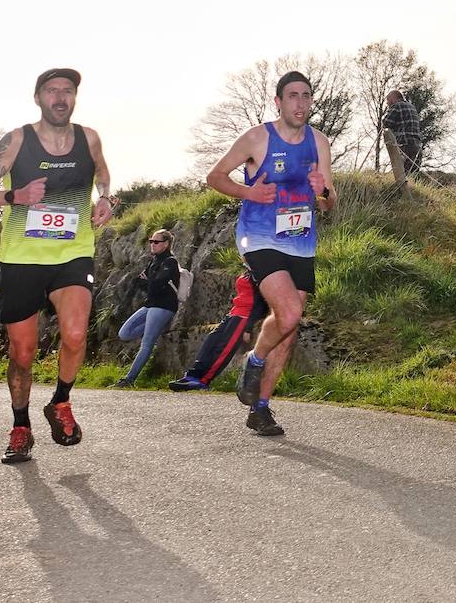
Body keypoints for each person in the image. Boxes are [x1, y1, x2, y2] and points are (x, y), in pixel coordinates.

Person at [0, 67, 114, 464]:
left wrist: (106, 197)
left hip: (73, 252)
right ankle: (20, 426)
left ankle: (60, 403)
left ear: (74, 98)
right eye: (51, 91)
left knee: (77, 333)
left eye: (67, 91)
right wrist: (16, 195)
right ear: (38, 98)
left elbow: (102, 171)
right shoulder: (17, 141)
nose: (60, 97)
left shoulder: (89, 138)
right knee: (23, 352)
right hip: (21, 258)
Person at [206, 70, 336, 436]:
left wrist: (323, 191)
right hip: (259, 236)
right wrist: (249, 192)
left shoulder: (320, 142)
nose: (301, 103)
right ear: (278, 102)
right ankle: (255, 358)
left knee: (289, 327)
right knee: (291, 311)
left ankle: (260, 408)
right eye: (293, 96)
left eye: (307, 96)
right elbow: (214, 176)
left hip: (300, 240)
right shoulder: (256, 138)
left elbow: (329, 203)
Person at [168, 269, 267, 391]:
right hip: (233, 313)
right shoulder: (249, 271)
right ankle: (193, 375)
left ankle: (204, 381)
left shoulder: (260, 273)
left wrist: (249, 327)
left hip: (244, 317)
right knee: (210, 342)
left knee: (223, 350)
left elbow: (261, 303)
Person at [109, 228, 185, 387]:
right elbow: (143, 283)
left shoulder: (170, 262)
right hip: (150, 305)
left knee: (146, 344)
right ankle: (153, 330)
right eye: (151, 241)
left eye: (156, 242)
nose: (152, 244)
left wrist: (148, 282)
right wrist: (149, 283)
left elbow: (157, 285)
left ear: (166, 244)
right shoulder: (154, 261)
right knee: (124, 333)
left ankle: (128, 380)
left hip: (163, 306)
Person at [383, 89, 422, 178]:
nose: (387, 103)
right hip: (416, 145)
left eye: (388, 100)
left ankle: (398, 191)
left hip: (405, 144)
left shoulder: (397, 106)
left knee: (400, 173)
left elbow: (386, 122)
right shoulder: (411, 106)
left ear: (393, 99)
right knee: (410, 174)